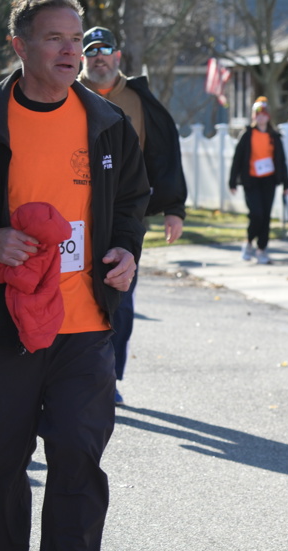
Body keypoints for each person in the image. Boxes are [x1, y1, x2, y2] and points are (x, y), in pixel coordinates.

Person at [0, 0, 149, 551]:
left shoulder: (106, 122)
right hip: (4, 325)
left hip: (84, 325)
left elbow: (131, 200)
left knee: (78, 456)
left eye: (75, 38)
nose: (70, 50)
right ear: (19, 45)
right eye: (54, 38)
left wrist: (126, 250)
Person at [79, 25, 188, 405]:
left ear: (118, 56)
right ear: (82, 57)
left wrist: (173, 208)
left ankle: (108, 377)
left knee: (120, 299)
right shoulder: (65, 93)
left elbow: (164, 154)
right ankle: (66, 379)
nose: (98, 57)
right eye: (91, 50)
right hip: (73, 213)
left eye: (104, 49)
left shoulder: (139, 100)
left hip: (125, 214)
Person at [228, 96, 288, 265]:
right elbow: (237, 159)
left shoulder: (274, 136)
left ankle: (261, 249)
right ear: (254, 116)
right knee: (256, 214)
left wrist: (286, 184)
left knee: (266, 216)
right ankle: (249, 242)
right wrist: (232, 181)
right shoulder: (247, 134)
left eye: (263, 114)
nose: (261, 118)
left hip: (269, 181)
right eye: (258, 115)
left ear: (268, 117)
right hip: (251, 180)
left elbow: (281, 161)